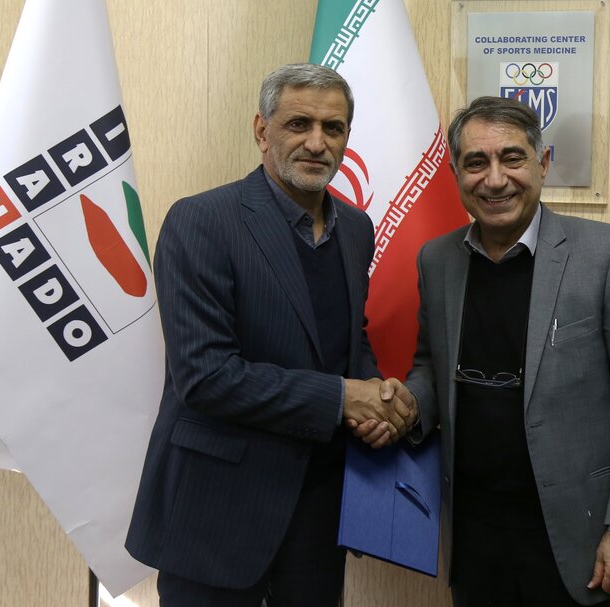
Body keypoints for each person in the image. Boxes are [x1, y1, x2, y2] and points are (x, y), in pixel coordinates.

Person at [125, 63, 415, 607]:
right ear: (262, 131)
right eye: (298, 124)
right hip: (217, 513)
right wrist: (342, 398)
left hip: (320, 511)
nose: (317, 143)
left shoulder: (356, 228)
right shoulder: (201, 221)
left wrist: (376, 398)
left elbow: (347, 339)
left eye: (333, 128)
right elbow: (206, 377)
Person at [403, 96, 610, 607]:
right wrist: (405, 405)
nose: (495, 180)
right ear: (457, 172)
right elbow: (430, 366)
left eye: (512, 158)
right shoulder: (436, 260)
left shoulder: (607, 254)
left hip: (584, 542)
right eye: (476, 162)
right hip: (475, 540)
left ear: (543, 163)